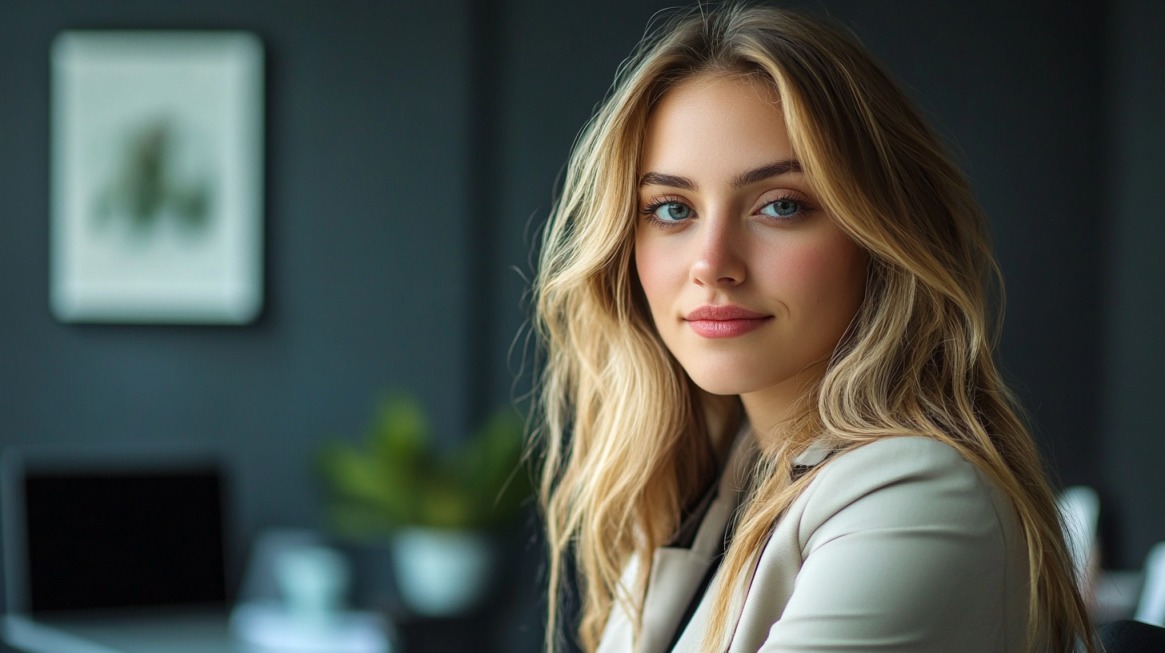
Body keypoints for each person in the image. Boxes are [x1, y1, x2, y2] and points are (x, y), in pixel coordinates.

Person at [531, 4, 1095, 653]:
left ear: (879, 233)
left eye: (781, 205)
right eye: (671, 208)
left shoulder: (917, 499)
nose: (712, 264)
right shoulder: (728, 478)